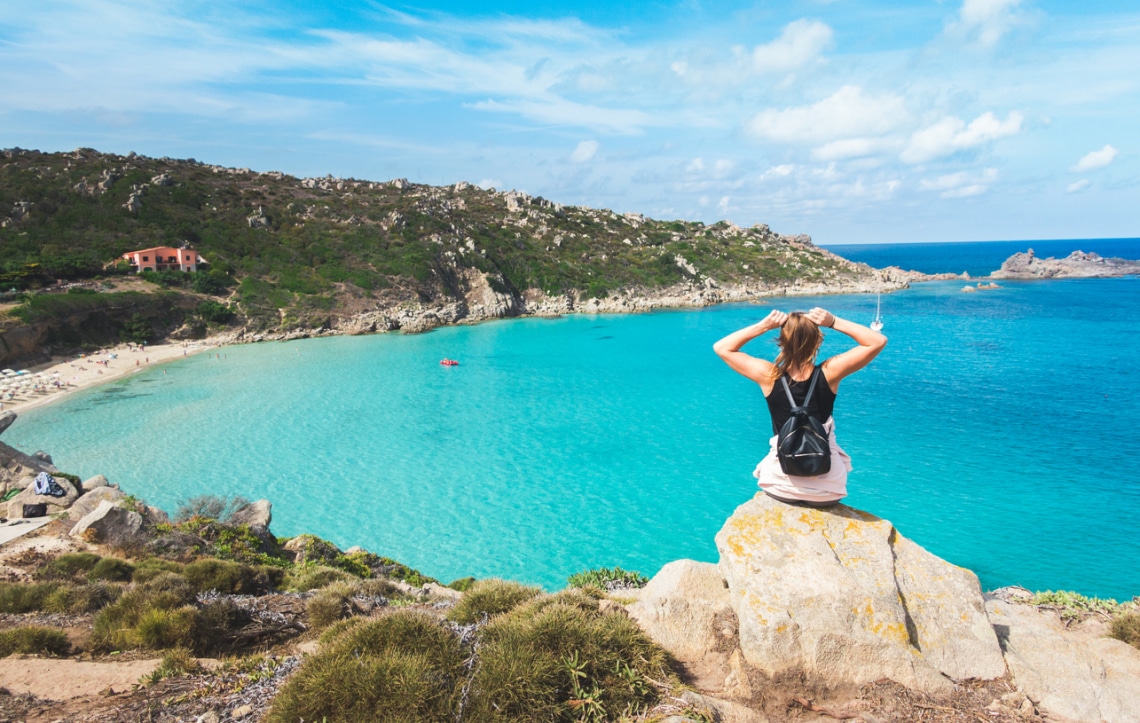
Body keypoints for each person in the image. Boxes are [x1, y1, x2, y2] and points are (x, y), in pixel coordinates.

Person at [713, 307, 887, 507]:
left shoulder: (769, 376)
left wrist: (764, 326)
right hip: (827, 489)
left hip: (780, 484)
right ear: (818, 342)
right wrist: (833, 321)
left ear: (782, 342)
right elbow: (877, 341)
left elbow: (722, 347)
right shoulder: (830, 373)